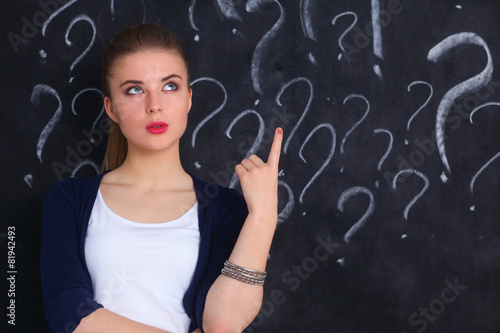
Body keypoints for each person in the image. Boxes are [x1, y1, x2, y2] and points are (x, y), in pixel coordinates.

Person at [41, 22, 283, 333]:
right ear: (111, 108)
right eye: (135, 90)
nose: (154, 105)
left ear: (189, 99)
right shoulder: (69, 199)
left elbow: (222, 325)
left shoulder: (226, 208)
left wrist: (263, 216)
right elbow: (68, 311)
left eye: (170, 86)